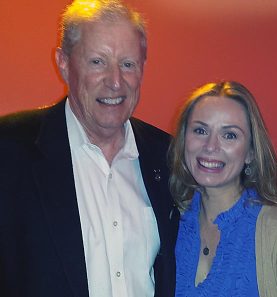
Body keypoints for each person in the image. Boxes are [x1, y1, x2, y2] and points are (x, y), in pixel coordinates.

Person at [0, 1, 179, 297]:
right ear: (64, 63)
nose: (115, 81)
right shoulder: (10, 151)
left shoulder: (168, 156)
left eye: (128, 64)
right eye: (97, 61)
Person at [168, 81, 277, 297]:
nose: (211, 146)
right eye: (200, 130)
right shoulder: (167, 224)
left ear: (250, 152)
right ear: (184, 142)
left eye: (229, 135)